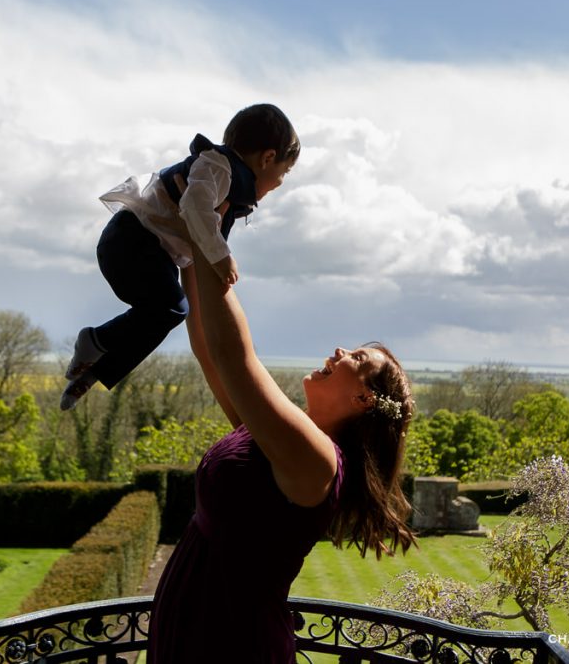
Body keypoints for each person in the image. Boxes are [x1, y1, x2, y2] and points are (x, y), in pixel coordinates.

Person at [145, 222, 417, 663]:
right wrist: (190, 254)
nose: (339, 351)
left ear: (363, 398)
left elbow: (236, 357)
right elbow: (213, 355)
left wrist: (204, 232)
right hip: (195, 639)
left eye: (357, 358)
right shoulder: (276, 434)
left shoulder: (316, 459)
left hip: (234, 646)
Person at [60, 103, 300, 410]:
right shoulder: (218, 167)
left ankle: (94, 371)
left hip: (146, 250)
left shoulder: (225, 186)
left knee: (169, 313)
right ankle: (95, 341)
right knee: (171, 310)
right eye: (284, 172)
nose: (281, 182)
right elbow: (194, 207)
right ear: (268, 158)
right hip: (130, 242)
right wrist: (220, 256)